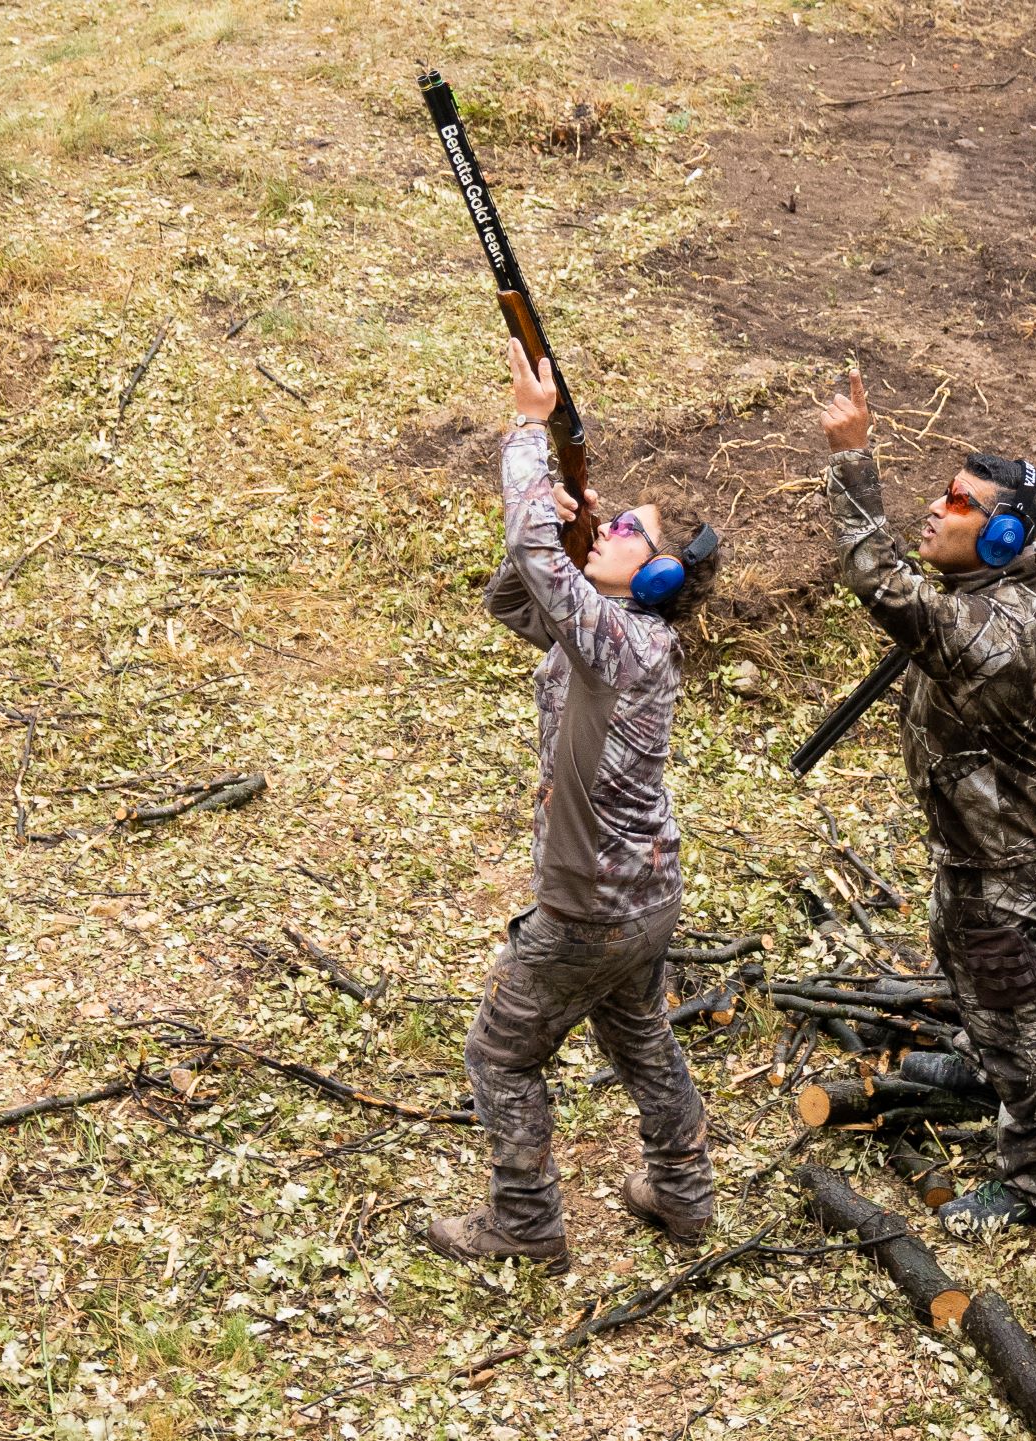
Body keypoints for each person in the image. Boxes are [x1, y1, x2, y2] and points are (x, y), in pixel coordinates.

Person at [427, 339, 724, 1270]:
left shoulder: (619, 640)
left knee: (501, 1057)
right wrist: (562, 535)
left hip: (589, 911)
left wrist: (526, 429)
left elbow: (532, 562)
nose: (613, 529)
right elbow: (512, 600)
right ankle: (685, 1193)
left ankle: (524, 1223)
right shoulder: (617, 634)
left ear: (659, 579)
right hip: (642, 900)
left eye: (627, 533)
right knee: (638, 1035)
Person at [816, 370, 1036, 1235]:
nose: (934, 510)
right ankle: (985, 1061)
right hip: (987, 834)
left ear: (1006, 534)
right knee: (963, 951)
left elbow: (879, 579)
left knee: (1020, 1006)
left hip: (1001, 850)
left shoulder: (993, 632)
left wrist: (853, 458)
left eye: (958, 502)